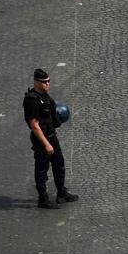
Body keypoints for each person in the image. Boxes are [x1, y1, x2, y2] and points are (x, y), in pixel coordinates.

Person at [24, 68, 77, 210]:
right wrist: (46, 144)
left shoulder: (45, 96)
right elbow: (34, 125)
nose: (48, 84)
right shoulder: (32, 100)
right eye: (44, 82)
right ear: (36, 82)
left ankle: (61, 193)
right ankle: (43, 199)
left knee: (59, 164)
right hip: (41, 139)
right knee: (42, 169)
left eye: (49, 81)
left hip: (51, 135)